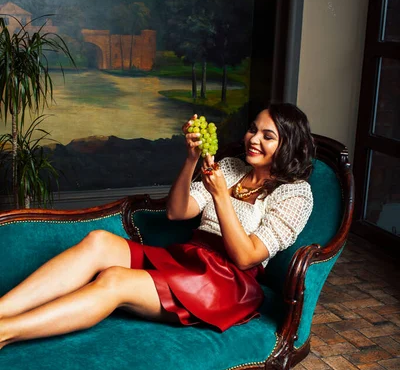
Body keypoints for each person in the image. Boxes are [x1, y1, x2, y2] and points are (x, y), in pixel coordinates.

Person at [0, 103, 314, 348]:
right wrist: (191, 159)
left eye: (267, 136)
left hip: (226, 283)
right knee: (99, 241)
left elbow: (247, 257)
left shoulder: (296, 193)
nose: (253, 139)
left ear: (288, 144)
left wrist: (220, 196)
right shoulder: (231, 167)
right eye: (252, 130)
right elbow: (177, 212)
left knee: (115, 280)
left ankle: (6, 332)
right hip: (190, 257)